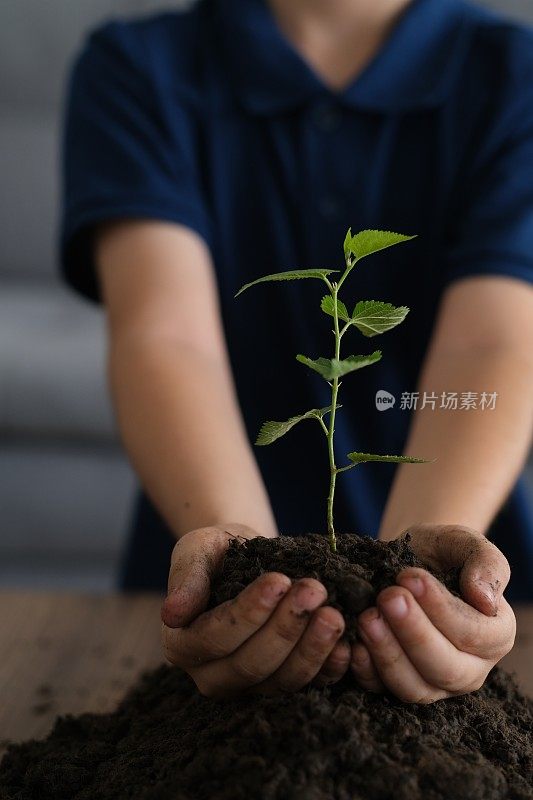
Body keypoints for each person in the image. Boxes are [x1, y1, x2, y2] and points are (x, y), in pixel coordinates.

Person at [60, 0, 533, 703]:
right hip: (207, 563)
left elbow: (491, 341)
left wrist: (422, 563)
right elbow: (164, 336)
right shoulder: (141, 68)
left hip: (465, 582)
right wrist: (238, 557)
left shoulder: (512, 75)